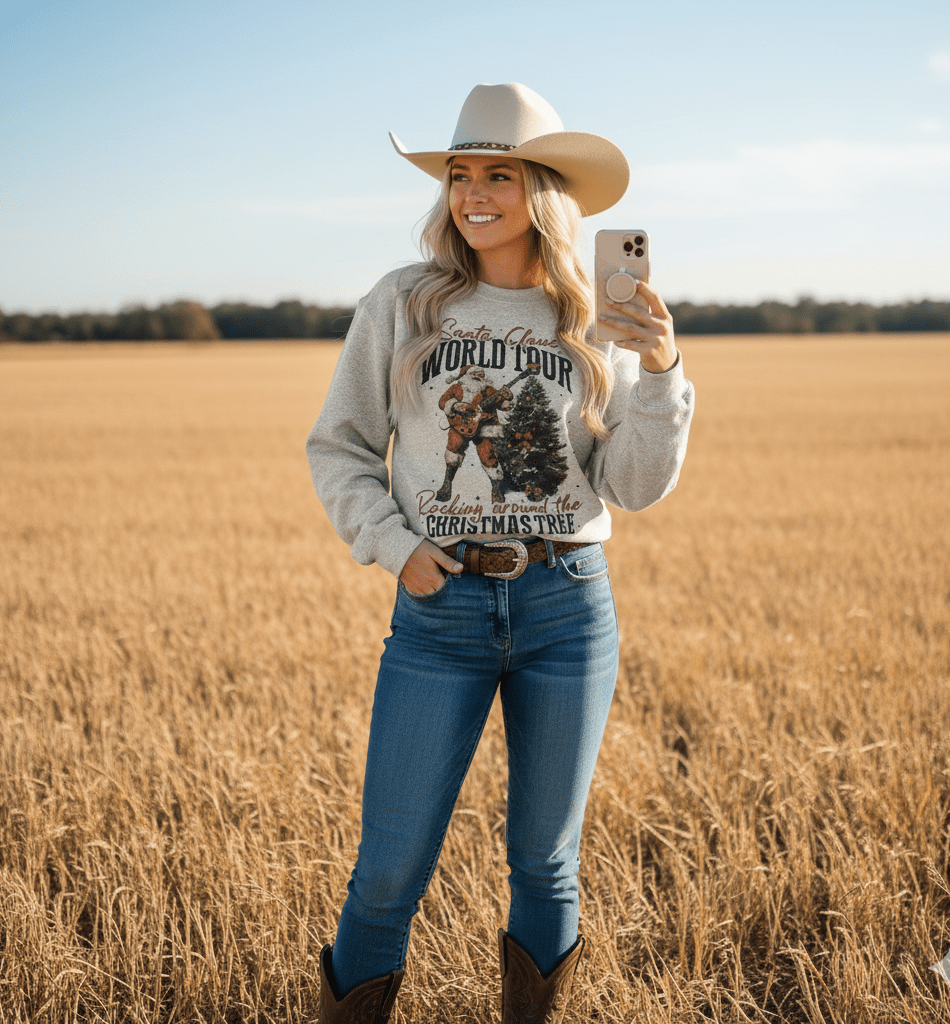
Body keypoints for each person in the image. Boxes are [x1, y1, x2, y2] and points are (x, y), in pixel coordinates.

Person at [306, 82, 694, 1024]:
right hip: (440, 611)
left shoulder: (589, 315)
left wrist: (659, 370)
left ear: (542, 188)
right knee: (389, 867)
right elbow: (342, 447)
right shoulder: (402, 302)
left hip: (569, 603)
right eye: (460, 175)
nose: (474, 194)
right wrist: (396, 546)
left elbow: (633, 485)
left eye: (499, 175)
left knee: (544, 862)